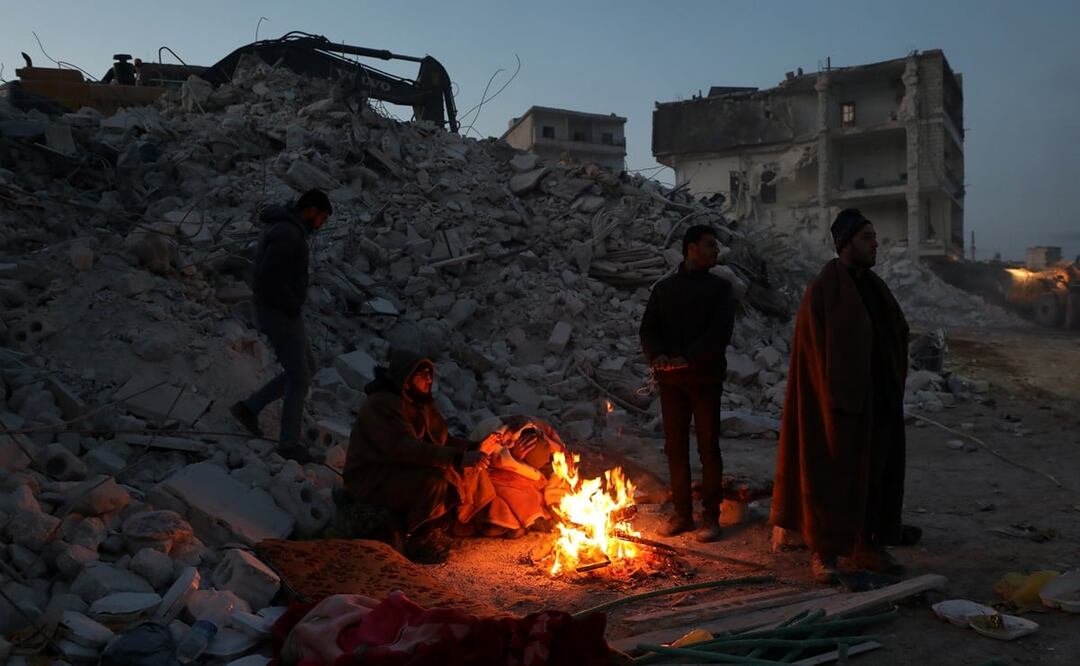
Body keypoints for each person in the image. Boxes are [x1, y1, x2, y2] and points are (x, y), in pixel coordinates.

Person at [770, 209, 910, 584]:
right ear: (845, 243)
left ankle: (866, 544)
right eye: (867, 237)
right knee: (829, 477)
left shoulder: (875, 288)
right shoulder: (825, 289)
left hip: (877, 403)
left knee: (875, 476)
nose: (875, 243)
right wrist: (832, 402)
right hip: (834, 406)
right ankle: (824, 552)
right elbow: (814, 354)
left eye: (874, 236)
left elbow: (895, 332)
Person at [344, 351, 516, 563]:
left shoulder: (420, 404)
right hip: (374, 475)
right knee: (437, 482)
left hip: (403, 467)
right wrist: (457, 458)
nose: (428, 380)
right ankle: (418, 538)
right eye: (422, 375)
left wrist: (476, 448)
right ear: (406, 380)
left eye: (429, 374)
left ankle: (466, 521)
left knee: (469, 469)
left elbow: (442, 440)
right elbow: (404, 448)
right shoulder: (381, 405)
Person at [639, 225, 736, 543]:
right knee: (675, 449)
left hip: (705, 380)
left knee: (709, 448)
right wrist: (657, 356)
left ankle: (711, 516)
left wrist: (687, 359)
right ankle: (682, 513)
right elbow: (649, 328)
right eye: (710, 245)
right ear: (690, 248)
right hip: (672, 384)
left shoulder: (721, 289)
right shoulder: (665, 289)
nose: (715, 251)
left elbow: (719, 335)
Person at [230, 189, 332, 462]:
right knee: (298, 376)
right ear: (310, 210)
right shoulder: (288, 234)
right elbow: (268, 277)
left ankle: (249, 409)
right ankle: (289, 445)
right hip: (278, 312)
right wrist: (290, 304)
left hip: (284, 310)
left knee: (306, 368)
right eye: (322, 217)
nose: (321, 224)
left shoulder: (290, 230)